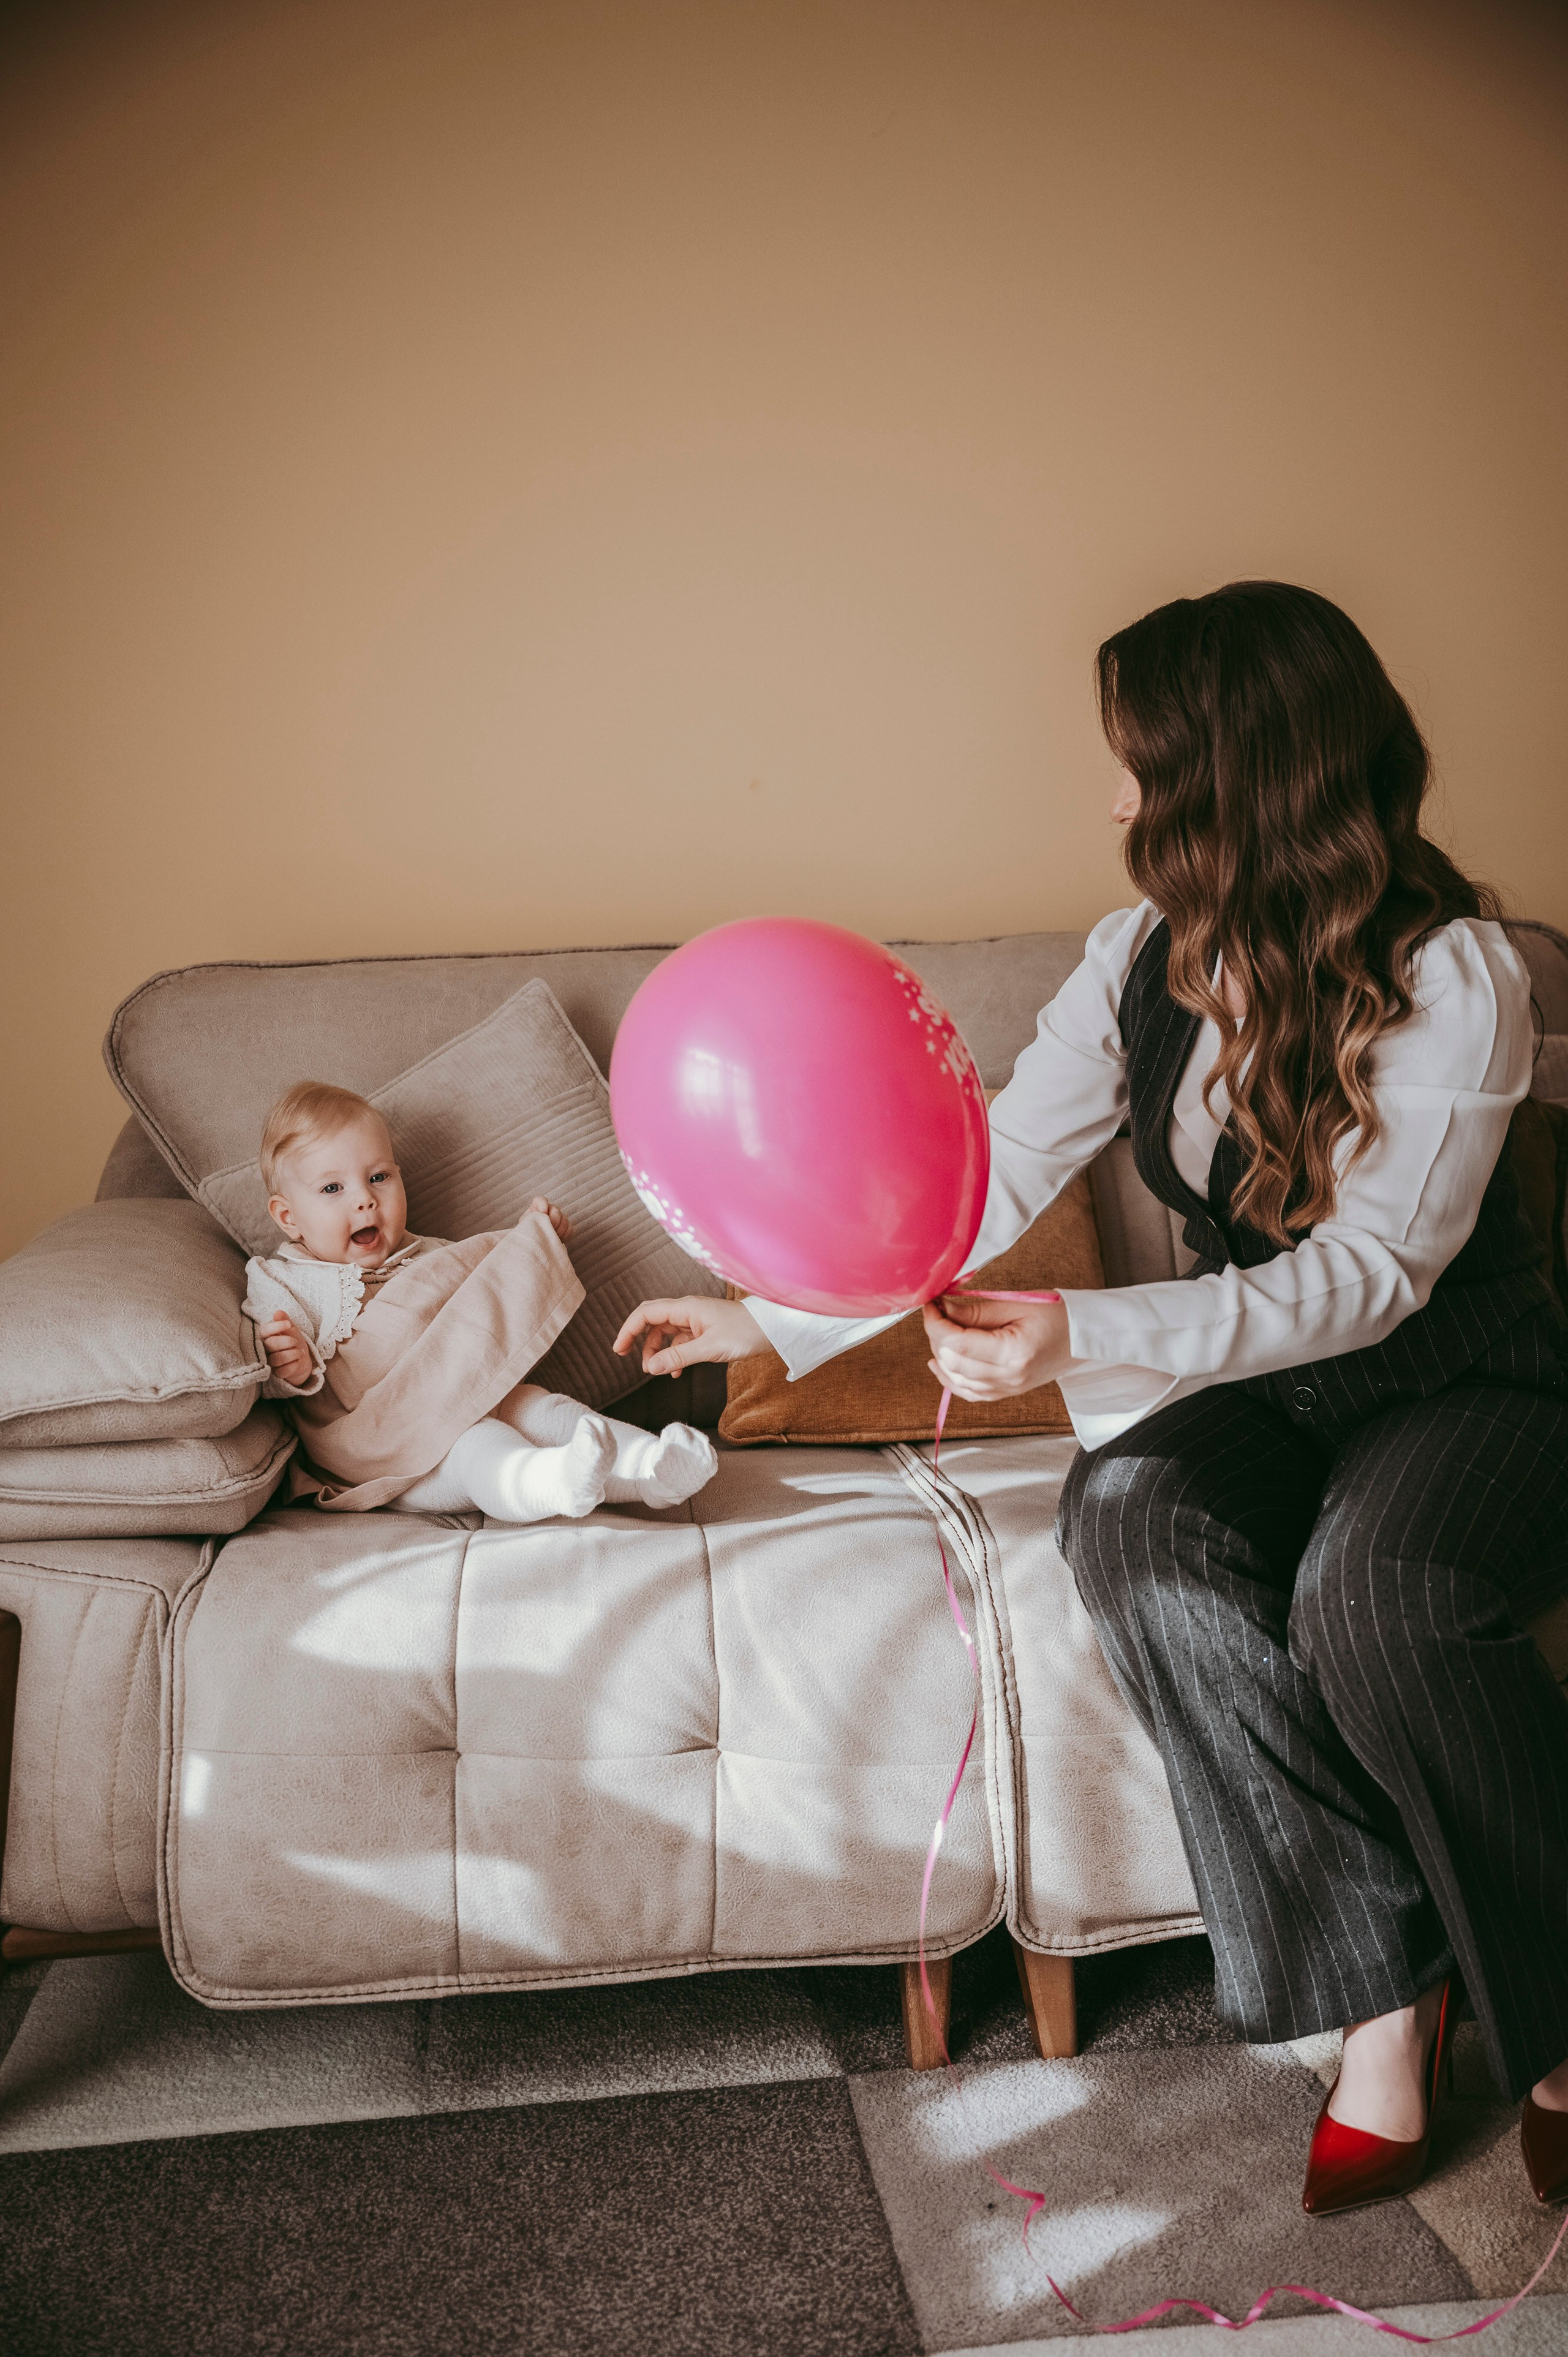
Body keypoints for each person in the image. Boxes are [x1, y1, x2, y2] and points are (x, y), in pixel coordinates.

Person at [613, 581, 1568, 2214]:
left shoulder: (1458, 974)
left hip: (1464, 1376)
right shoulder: (1137, 958)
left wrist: (1086, 1332)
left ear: (1236, 778)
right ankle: (1380, 1997)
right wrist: (769, 1319)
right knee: (1126, 1523)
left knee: (1379, 1595)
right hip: (1261, 1375)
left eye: (1137, 762)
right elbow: (979, 1188)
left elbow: (1376, 1282)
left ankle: (1554, 2022)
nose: (1113, 800)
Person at [244, 1080, 717, 1520]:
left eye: (379, 1177)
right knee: (480, 1444)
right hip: (382, 1453)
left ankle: (653, 1465)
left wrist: (534, 1245)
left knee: (540, 1408)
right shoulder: (285, 1281)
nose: (365, 1200)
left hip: (466, 1401)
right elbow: (259, 1367)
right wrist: (291, 1366)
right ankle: (549, 1482)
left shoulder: (432, 1258)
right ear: (288, 1217)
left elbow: (486, 1309)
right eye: (333, 1188)